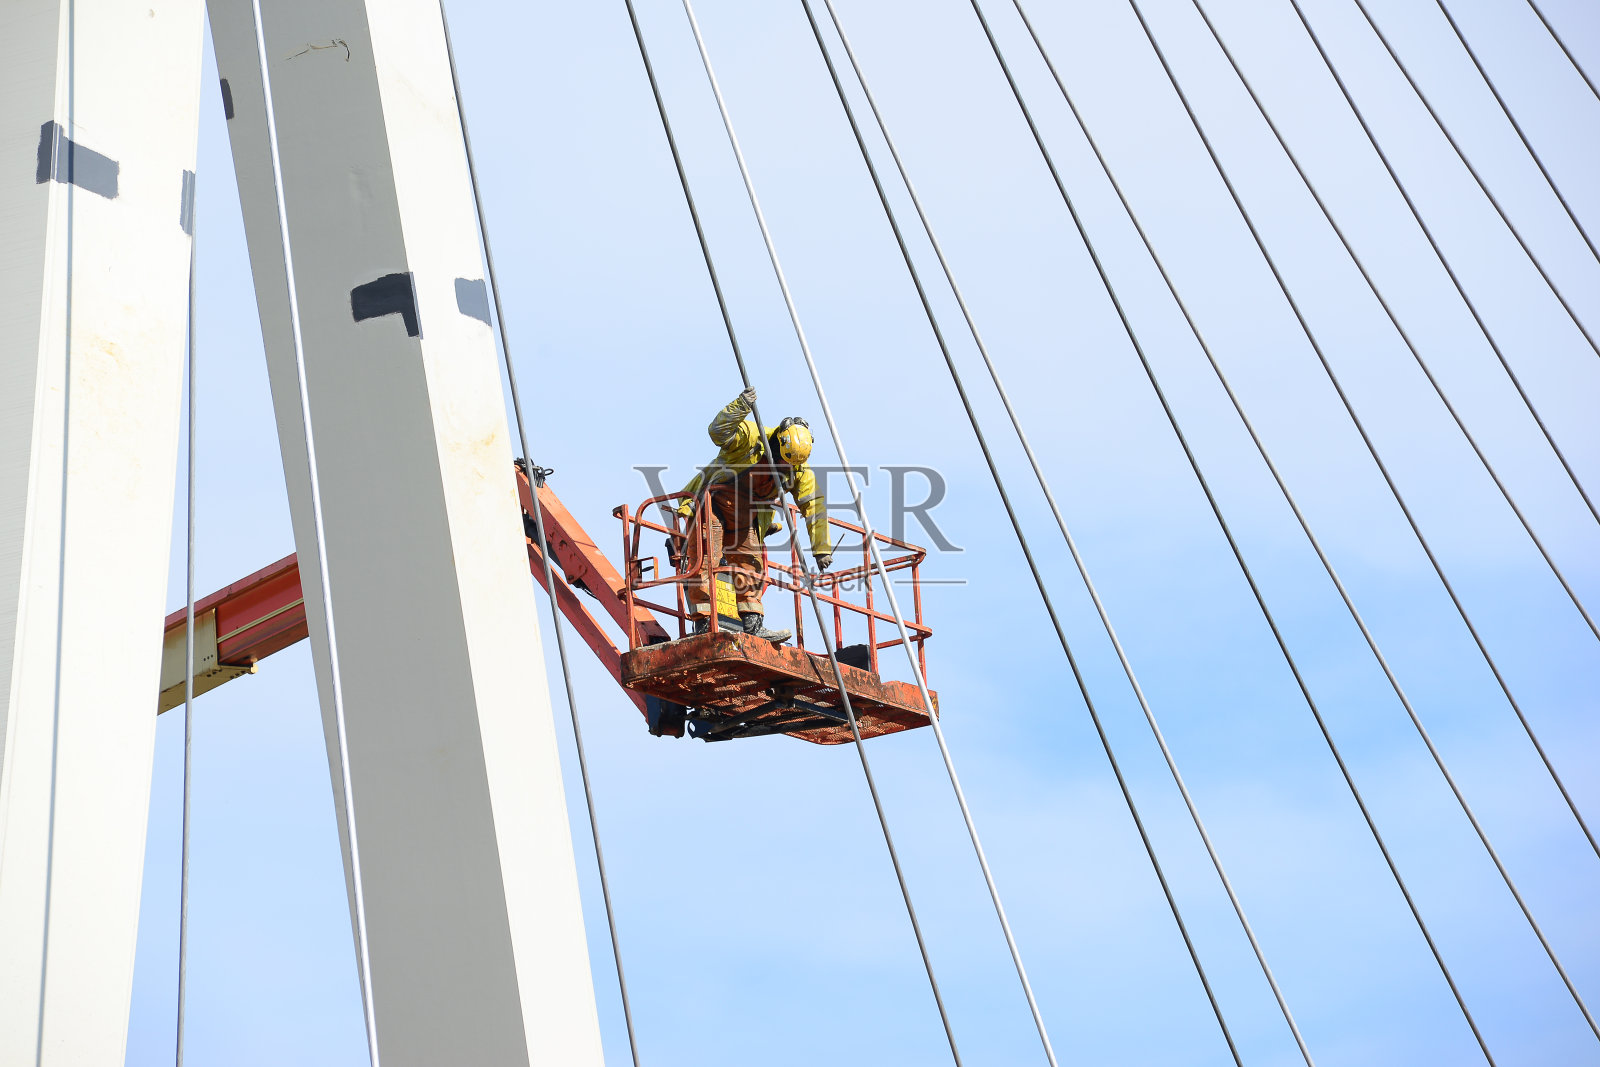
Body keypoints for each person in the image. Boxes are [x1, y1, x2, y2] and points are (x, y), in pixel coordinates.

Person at [673, 387, 831, 642]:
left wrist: (821, 549)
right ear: (778, 442)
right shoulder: (751, 437)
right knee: (705, 558)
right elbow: (717, 432)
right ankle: (703, 622)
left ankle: (753, 624)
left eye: (792, 464)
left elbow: (814, 506)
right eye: (784, 460)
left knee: (751, 564)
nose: (786, 466)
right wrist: (741, 405)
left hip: (746, 515)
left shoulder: (799, 469)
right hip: (711, 504)